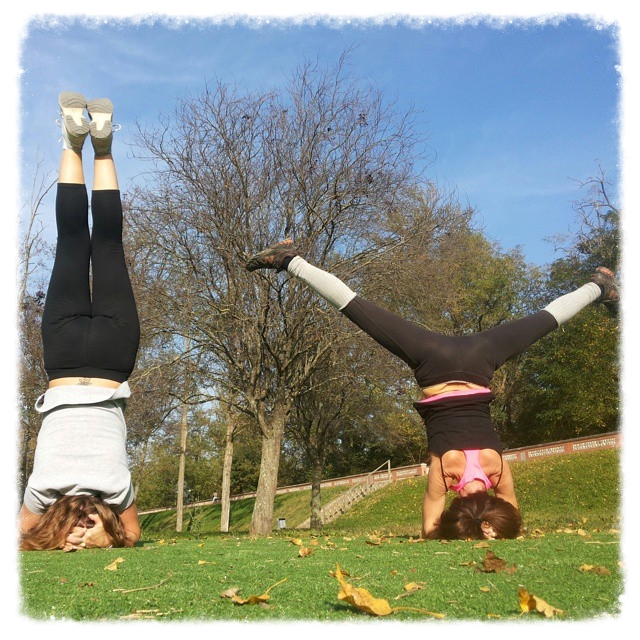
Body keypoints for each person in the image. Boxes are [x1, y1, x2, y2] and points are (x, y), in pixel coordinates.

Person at [245, 239, 618, 540]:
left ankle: (599, 285)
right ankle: (290, 261)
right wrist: (461, 530)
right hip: (433, 366)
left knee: (543, 320)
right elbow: (429, 525)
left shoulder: (497, 470)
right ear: (460, 508)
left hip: (479, 361)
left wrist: (500, 528)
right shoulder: (446, 473)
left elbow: (510, 507)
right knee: (357, 308)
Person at [19, 92, 141, 551]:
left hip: (69, 358)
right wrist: (97, 538)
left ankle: (80, 145)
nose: (81, 527)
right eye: (88, 531)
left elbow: (22, 534)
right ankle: (92, 146)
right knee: (92, 244)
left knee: (83, 243)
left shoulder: (40, 495)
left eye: (72, 533)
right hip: (106, 359)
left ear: (54, 531)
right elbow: (132, 533)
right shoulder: (116, 492)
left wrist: (76, 539)